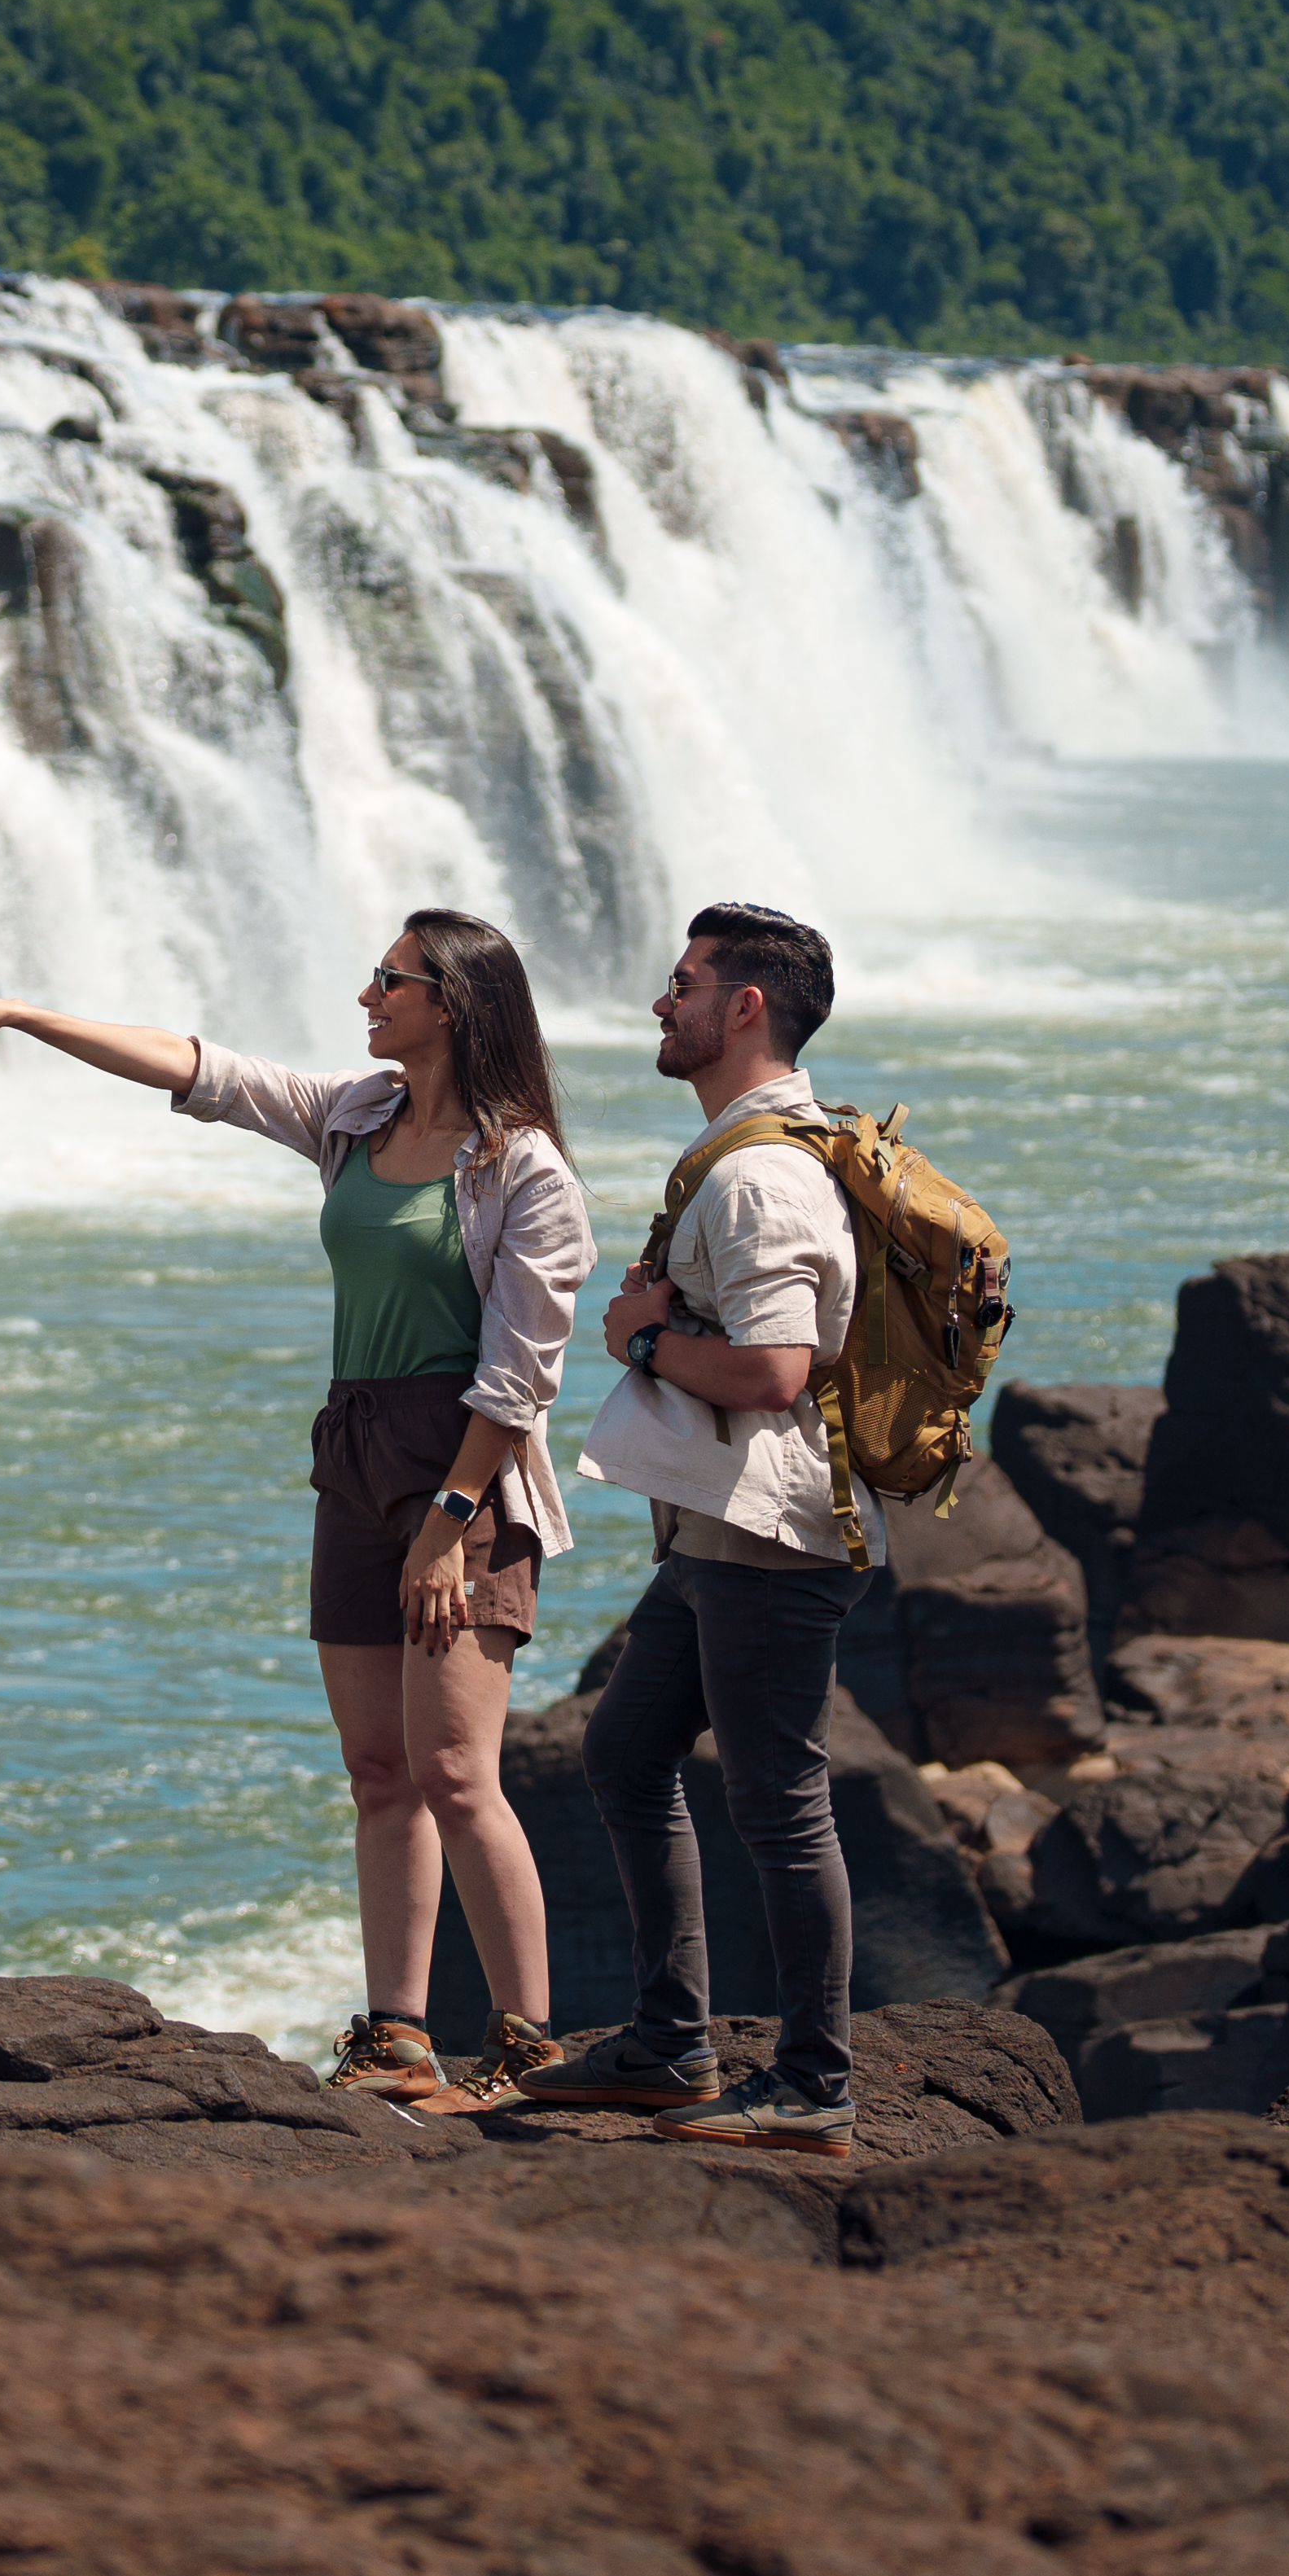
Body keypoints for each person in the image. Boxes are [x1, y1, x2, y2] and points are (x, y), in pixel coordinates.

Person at [0, 917, 594, 2110]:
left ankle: (531, 2045)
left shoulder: (522, 1170)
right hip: (355, 1455)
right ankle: (398, 2037)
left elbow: (520, 1378)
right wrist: (17, 1015)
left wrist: (447, 1523)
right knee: (377, 1769)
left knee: (456, 1771)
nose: (366, 993)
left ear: (454, 1004)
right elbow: (197, 1067)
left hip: (462, 1474)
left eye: (390, 979)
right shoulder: (356, 1117)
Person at [510, 899, 870, 2154]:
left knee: (780, 1801)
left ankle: (815, 2084)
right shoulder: (751, 1152)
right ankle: (671, 2042)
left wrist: (644, 1339)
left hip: (774, 1531)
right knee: (624, 1750)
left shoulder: (762, 1177)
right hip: (726, 1526)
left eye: (683, 984)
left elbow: (774, 1371)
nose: (661, 1005)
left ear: (745, 1007)